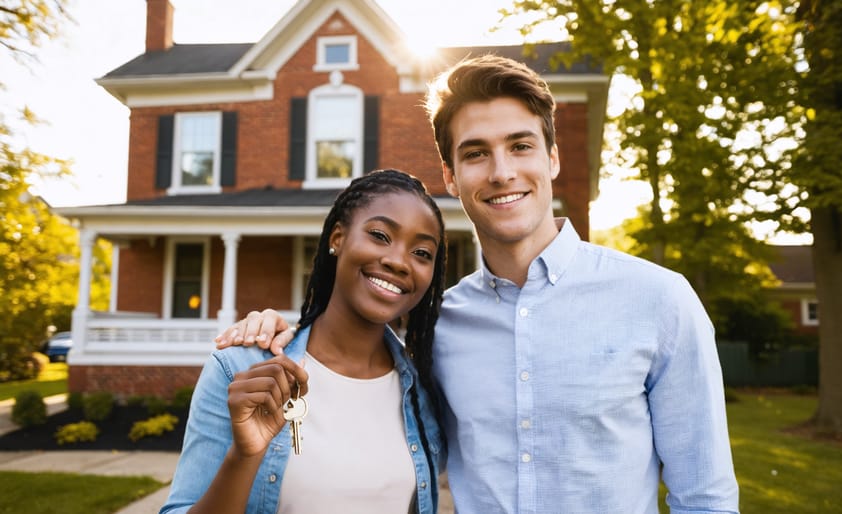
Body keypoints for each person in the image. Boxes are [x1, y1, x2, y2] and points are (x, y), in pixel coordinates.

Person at [219, 55, 740, 513]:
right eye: (476, 154)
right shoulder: (436, 327)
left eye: (520, 146)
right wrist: (269, 329)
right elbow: (351, 355)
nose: (500, 172)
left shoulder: (659, 301)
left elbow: (705, 498)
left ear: (552, 158)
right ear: (450, 176)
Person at [163, 169, 447, 514]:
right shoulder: (242, 370)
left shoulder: (425, 390)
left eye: (422, 253)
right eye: (379, 235)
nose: (399, 261)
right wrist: (244, 456)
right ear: (338, 238)